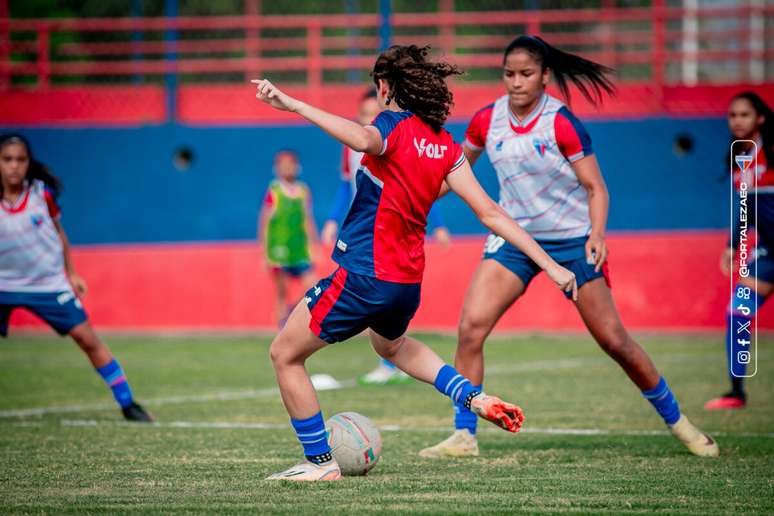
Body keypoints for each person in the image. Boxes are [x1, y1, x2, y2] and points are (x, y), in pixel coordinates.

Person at [252, 44, 577, 481]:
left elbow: (363, 138)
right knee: (392, 347)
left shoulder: (391, 126)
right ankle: (471, 397)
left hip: (365, 273)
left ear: (386, 87)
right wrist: (552, 266)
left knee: (284, 354)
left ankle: (319, 462)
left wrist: (290, 103)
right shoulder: (445, 145)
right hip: (405, 282)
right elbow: (492, 213)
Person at [418, 35, 718, 459]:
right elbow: (455, 174)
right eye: (508, 74)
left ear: (544, 76)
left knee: (615, 341)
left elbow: (596, 187)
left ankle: (680, 423)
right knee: (470, 328)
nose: (516, 82)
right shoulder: (487, 121)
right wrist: (418, 194)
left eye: (525, 74)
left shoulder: (561, 122)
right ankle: (464, 436)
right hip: (514, 239)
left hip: (571, 241)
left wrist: (597, 235)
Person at [0, 134, 152, 422]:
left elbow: (59, 233)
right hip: (3, 284)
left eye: (20, 160)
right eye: (7, 160)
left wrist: (70, 273)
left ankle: (128, 404)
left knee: (87, 338)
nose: (14, 167)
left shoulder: (40, 194)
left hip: (47, 283)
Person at [322, 88, 451, 386]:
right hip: (364, 230)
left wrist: (439, 225)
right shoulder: (350, 148)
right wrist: (331, 220)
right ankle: (389, 359)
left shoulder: (394, 142)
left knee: (377, 293)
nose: (368, 121)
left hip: (391, 234)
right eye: (362, 116)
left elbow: (424, 190)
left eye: (373, 114)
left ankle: (388, 361)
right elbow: (345, 187)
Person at [705, 92, 774, 410]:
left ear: (760, 118)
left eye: (745, 115)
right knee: (737, 313)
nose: (737, 121)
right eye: (733, 115)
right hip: (768, 254)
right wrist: (733, 245)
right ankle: (736, 393)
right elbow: (748, 206)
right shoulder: (739, 156)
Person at [258, 149, 319, 327]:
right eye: (283, 166)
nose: (287, 169)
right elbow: (265, 219)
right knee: (282, 292)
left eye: (290, 165)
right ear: (277, 169)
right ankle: (279, 328)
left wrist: (314, 244)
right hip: (279, 249)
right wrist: (263, 250)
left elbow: (307, 218)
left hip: (299, 249)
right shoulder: (274, 190)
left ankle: (292, 311)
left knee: (313, 285)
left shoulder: (303, 190)